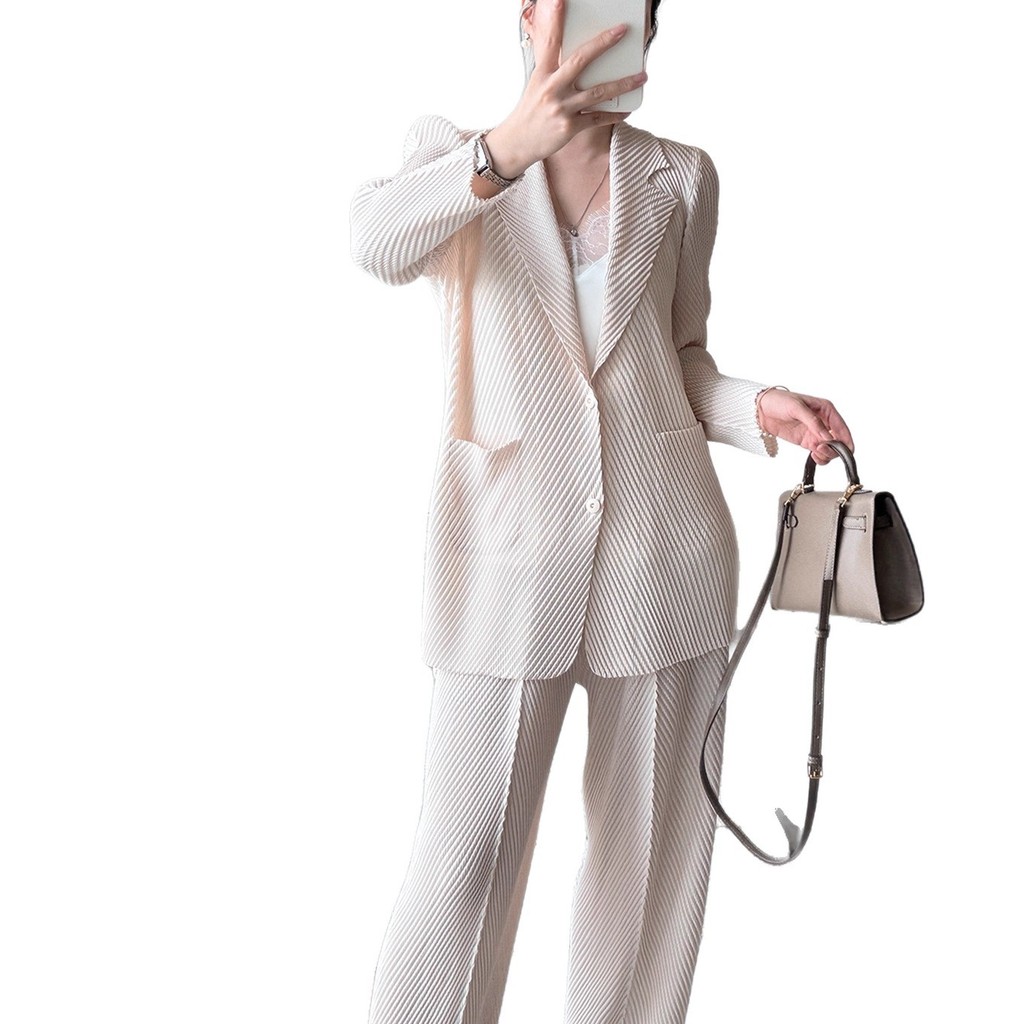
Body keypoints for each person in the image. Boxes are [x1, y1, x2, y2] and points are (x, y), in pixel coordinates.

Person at [350, 1, 854, 1021]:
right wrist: (507, 147)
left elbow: (677, 358)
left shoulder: (681, 177)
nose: (608, 27)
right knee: (458, 866)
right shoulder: (451, 154)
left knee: (648, 877)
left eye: (632, 11)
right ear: (530, 15)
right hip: (506, 558)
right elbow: (374, 243)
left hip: (664, 555)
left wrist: (755, 405)